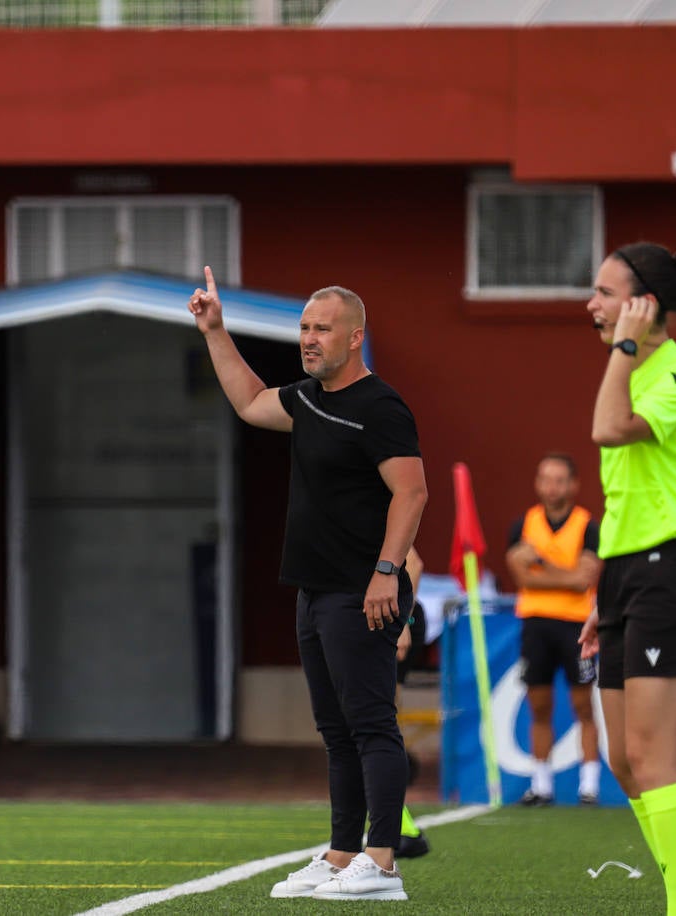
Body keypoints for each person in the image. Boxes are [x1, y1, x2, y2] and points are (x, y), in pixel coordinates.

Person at [188, 267, 426, 902]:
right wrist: (215, 331)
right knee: (337, 731)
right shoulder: (310, 399)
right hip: (315, 590)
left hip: (363, 590)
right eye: (304, 328)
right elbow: (249, 402)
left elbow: (412, 492)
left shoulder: (380, 407)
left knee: (372, 725)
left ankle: (382, 863)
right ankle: (342, 853)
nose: (309, 339)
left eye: (322, 329)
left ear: (355, 337)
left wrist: (386, 572)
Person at [577, 241, 676, 916]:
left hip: (672, 571)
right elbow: (625, 496)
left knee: (653, 757)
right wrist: (604, 599)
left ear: (643, 305)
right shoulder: (631, 367)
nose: (591, 304)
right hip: (627, 575)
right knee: (623, 762)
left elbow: (608, 430)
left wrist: (625, 346)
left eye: (605, 293)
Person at [506, 452, 603, 807]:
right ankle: (541, 785)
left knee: (583, 705)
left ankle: (589, 786)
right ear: (537, 483)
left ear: (574, 485)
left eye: (560, 480)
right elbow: (521, 577)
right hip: (535, 623)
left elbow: (585, 580)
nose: (552, 487)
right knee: (539, 704)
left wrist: (540, 564)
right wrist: (567, 575)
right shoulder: (523, 524)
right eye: (546, 479)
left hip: (577, 625)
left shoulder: (588, 526)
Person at [394, 547, 430, 859]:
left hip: (392, 618)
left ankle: (402, 827)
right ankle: (395, 824)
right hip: (363, 616)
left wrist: (403, 620)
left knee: (376, 722)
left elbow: (413, 563)